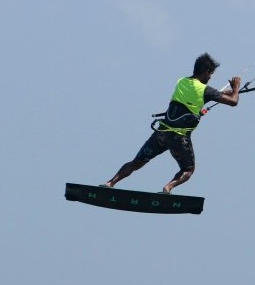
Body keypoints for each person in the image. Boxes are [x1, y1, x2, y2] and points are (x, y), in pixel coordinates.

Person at [102, 53, 241, 194]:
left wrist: (230, 91)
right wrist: (236, 88)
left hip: (161, 134)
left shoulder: (182, 81)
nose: (210, 77)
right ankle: (168, 187)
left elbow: (212, 93)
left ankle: (110, 182)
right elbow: (234, 102)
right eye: (210, 74)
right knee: (188, 170)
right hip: (179, 138)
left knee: (136, 162)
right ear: (206, 72)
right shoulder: (205, 90)